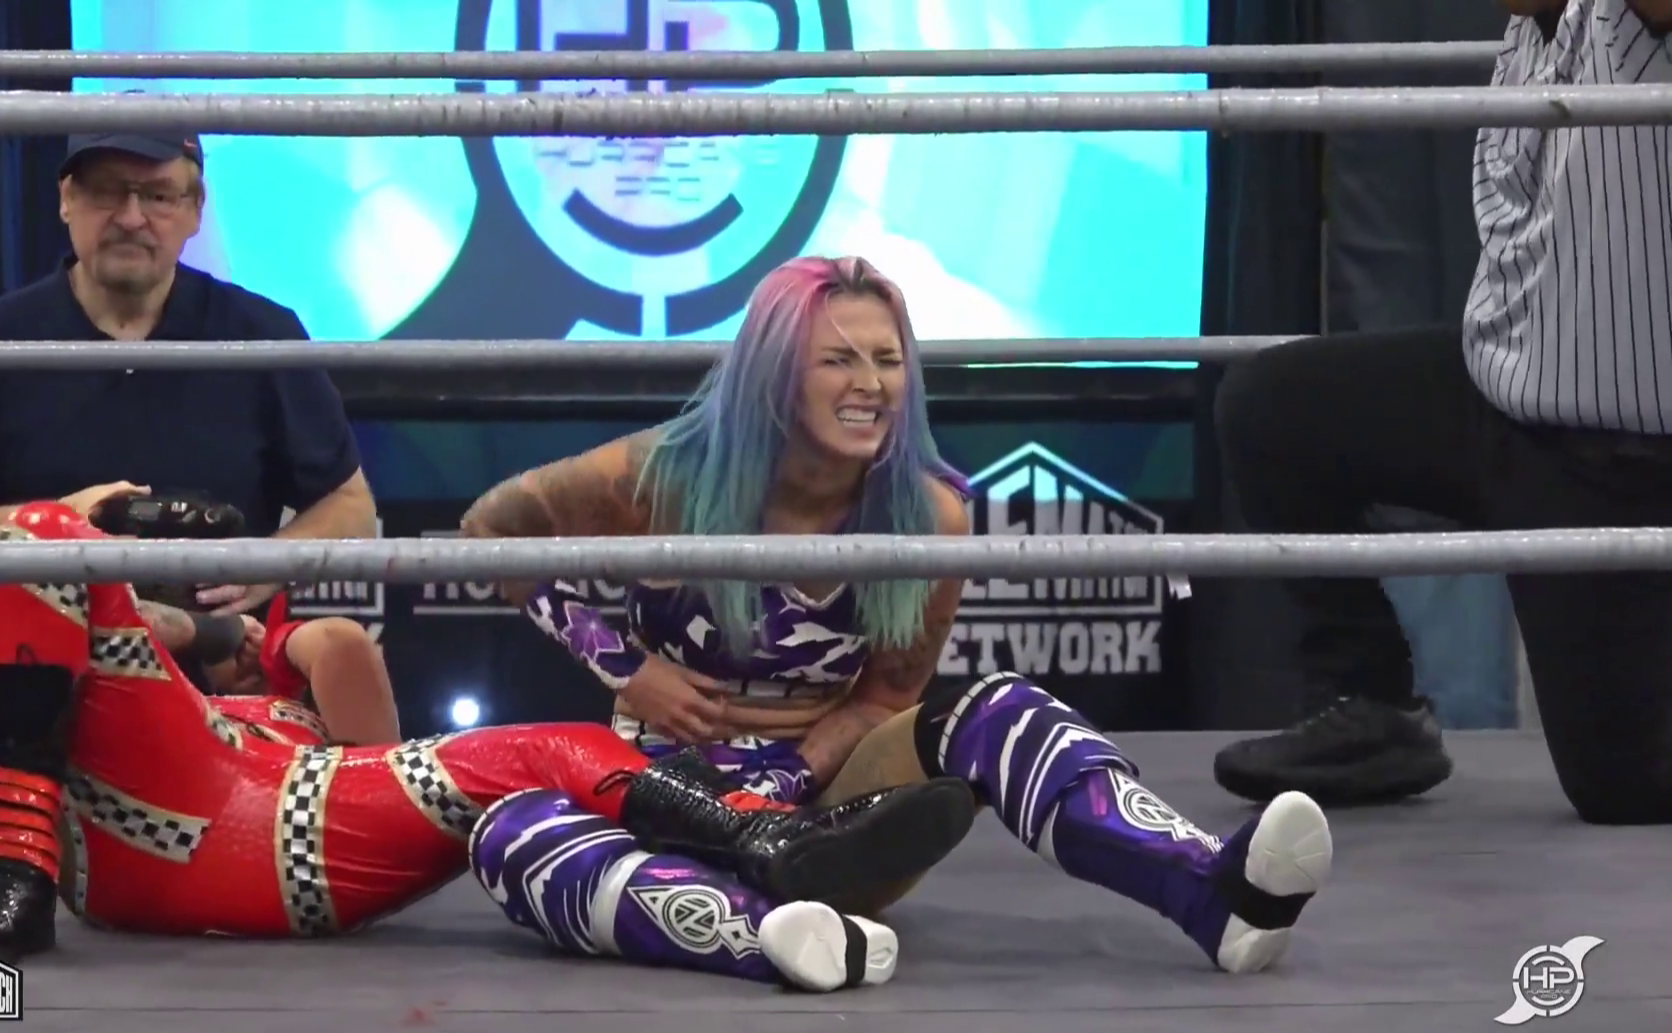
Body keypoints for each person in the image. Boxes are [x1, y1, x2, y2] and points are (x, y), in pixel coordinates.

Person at [461, 255, 1336, 973]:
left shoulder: (929, 515)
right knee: (513, 835)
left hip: (830, 809)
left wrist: (788, 784)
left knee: (997, 709)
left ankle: (1211, 892)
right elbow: (487, 530)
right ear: (774, 373)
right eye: (839, 360)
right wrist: (629, 668)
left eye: (886, 359)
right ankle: (773, 940)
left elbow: (885, 698)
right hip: (669, 794)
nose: (870, 384)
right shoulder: (664, 476)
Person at [0, 502, 979, 994]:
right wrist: (156, 586)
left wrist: (236, 639)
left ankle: (771, 927)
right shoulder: (123, 705)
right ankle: (770, 837)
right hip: (186, 833)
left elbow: (344, 661)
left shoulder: (277, 684)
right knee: (36, 537)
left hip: (276, 834)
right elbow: (50, 580)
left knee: (538, 820)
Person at [1210, 0, 1672, 822]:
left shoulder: (1634, 23)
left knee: (1624, 788)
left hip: (1616, 463)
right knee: (1270, 410)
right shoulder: (1531, 33)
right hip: (1497, 402)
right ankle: (1370, 707)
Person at [0, 126, 375, 620]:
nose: (131, 217)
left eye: (158, 196)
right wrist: (47, 525)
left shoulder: (263, 336)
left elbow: (350, 505)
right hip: (38, 660)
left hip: (220, 661)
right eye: (106, 191)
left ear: (196, 209)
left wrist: (268, 563)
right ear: (66, 199)